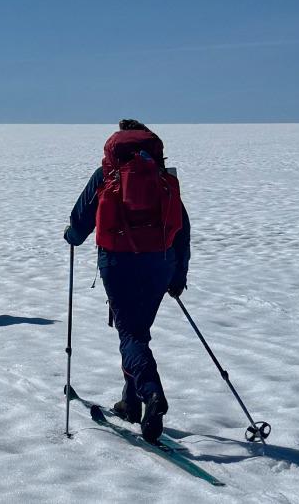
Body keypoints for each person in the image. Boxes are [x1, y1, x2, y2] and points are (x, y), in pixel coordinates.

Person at [62, 119, 191, 444]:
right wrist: (178, 274)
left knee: (130, 334)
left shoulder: (109, 172)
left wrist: (72, 237)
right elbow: (182, 227)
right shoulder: (163, 176)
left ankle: (150, 394)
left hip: (119, 260)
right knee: (137, 331)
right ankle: (131, 402)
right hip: (161, 261)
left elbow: (81, 219)